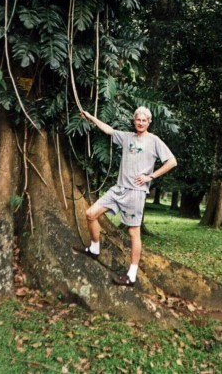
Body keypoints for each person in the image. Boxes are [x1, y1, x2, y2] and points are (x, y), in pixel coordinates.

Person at [73, 106, 177, 286]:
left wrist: (150, 176)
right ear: (134, 120)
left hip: (136, 193)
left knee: (133, 232)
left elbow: (172, 162)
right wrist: (90, 117)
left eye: (144, 120)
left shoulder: (154, 141)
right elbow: (108, 130)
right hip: (119, 188)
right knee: (90, 214)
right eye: (138, 120)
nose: (141, 123)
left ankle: (131, 275)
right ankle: (95, 248)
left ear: (149, 122)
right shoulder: (127, 137)